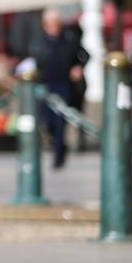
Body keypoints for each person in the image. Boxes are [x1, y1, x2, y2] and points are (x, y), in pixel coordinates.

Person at [26, 10, 89, 170]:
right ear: (45, 26)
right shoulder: (39, 42)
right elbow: (33, 61)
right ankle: (57, 144)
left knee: (61, 120)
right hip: (46, 85)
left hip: (64, 85)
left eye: (56, 24)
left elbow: (85, 55)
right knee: (48, 121)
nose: (54, 27)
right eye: (51, 24)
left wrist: (78, 68)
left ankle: (59, 154)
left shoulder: (69, 40)